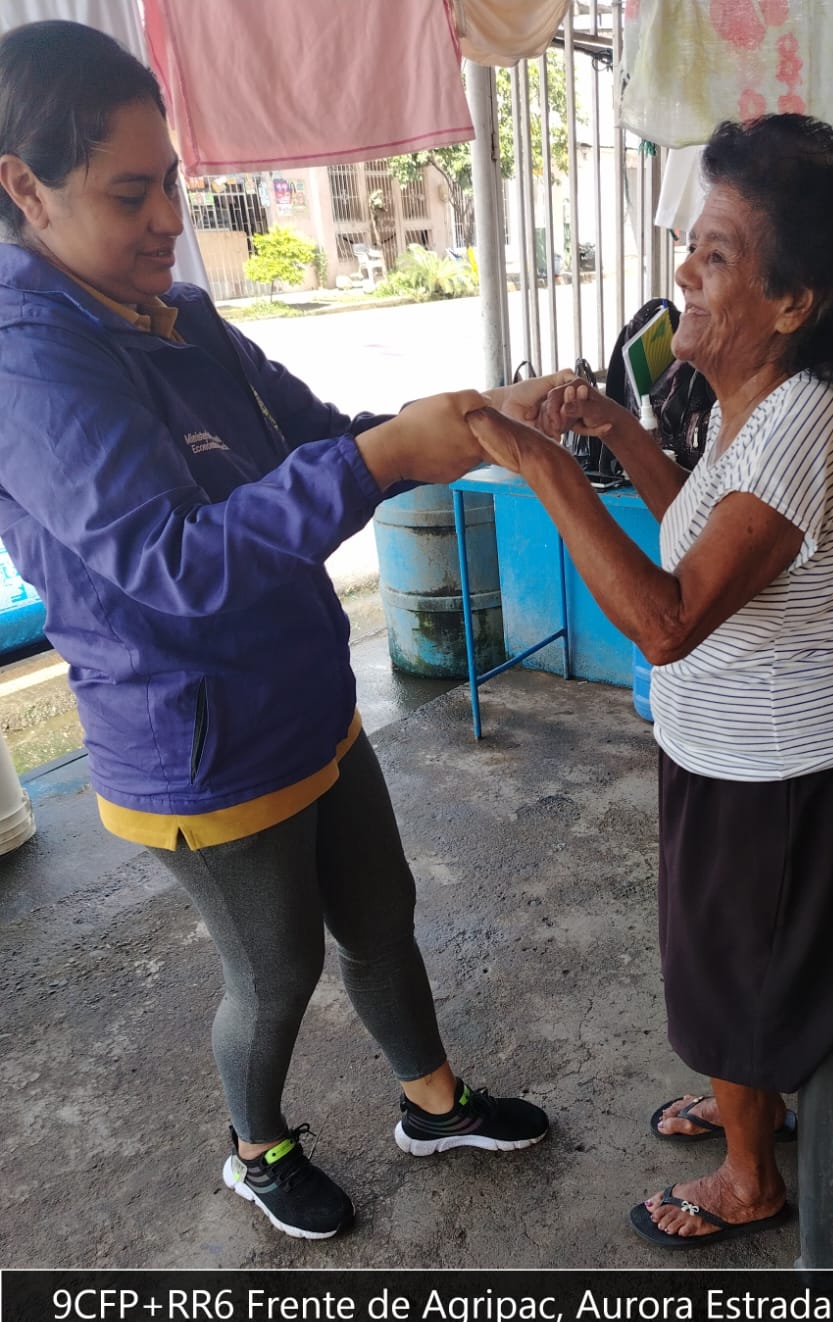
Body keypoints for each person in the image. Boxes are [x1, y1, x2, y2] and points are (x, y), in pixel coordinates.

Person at [0, 20, 560, 1243]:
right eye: (130, 194)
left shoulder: (184, 318)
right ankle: (256, 1149)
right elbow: (174, 560)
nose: (168, 220)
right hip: (197, 739)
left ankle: (434, 1103)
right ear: (25, 188)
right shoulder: (27, 364)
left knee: (382, 911)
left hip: (304, 696)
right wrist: (381, 457)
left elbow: (327, 440)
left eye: (172, 183)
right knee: (275, 969)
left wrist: (474, 421)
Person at [466, 115, 833, 1248]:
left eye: (716, 255)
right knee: (725, 958)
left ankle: (752, 1175)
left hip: (790, 775)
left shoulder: (803, 421)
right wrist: (620, 428)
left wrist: (545, 466)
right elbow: (697, 533)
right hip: (742, 757)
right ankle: (744, 1097)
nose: (684, 276)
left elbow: (669, 619)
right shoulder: (752, 399)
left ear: (793, 299)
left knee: (742, 973)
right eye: (690, 247)